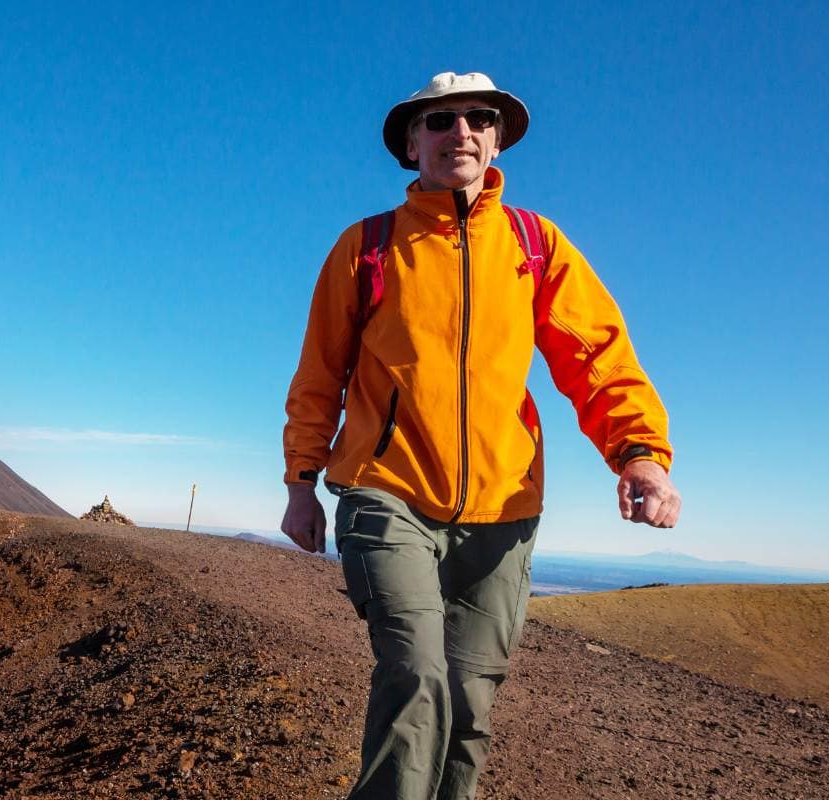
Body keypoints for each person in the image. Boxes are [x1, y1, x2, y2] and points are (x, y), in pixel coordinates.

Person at [279, 72, 681, 799]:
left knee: (469, 701)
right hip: (386, 492)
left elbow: (597, 358)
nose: (459, 131)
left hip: (504, 506)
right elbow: (319, 375)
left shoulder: (535, 243)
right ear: (412, 143)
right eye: (439, 120)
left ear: (496, 140)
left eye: (477, 117)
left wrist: (641, 454)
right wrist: (301, 482)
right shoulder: (367, 247)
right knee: (415, 674)